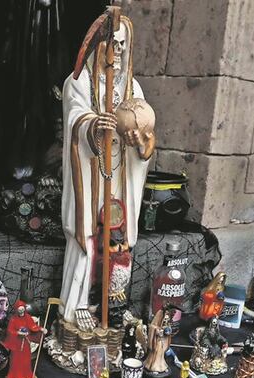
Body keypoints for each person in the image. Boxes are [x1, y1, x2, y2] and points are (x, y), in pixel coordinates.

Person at [59, 14, 156, 326]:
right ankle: (77, 307)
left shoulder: (132, 86)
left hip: (120, 176)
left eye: (121, 45)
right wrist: (91, 124)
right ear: (97, 44)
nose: (116, 51)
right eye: (111, 43)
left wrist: (143, 141)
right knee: (87, 237)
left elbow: (144, 130)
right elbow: (74, 116)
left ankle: (113, 304)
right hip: (90, 171)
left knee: (119, 240)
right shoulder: (78, 81)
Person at [3, 300, 43, 378]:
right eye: (19, 310)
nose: (21, 311)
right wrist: (18, 333)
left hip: (25, 344)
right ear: (16, 310)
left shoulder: (28, 317)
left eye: (22, 309)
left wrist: (41, 329)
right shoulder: (13, 319)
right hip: (17, 345)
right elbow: (10, 330)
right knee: (16, 361)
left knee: (26, 361)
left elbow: (33, 326)